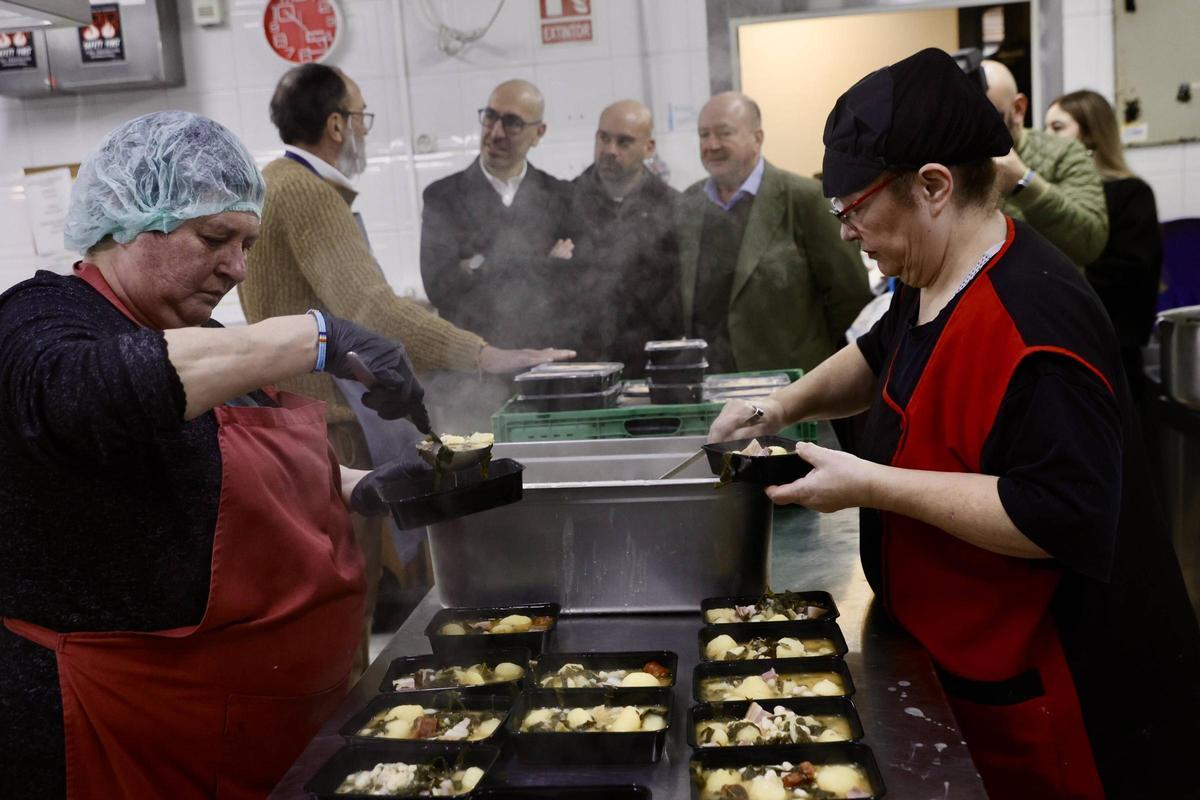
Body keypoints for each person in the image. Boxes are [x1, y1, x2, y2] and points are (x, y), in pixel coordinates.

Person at [709, 49, 1200, 799]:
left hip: (1055, 694)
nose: (846, 231)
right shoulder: (932, 270)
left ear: (934, 186)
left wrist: (871, 485)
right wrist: (781, 403)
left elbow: (1059, 514)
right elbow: (875, 355)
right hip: (959, 660)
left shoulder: (1037, 321)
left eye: (856, 209)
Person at [0, 111, 436, 799]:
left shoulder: (201, 334)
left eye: (246, 244)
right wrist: (310, 337)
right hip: (108, 731)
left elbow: (227, 462)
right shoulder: (39, 317)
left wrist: (359, 486)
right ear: (127, 220)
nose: (236, 268)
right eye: (215, 238)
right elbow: (85, 394)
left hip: (238, 728)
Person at [239, 64, 571, 662]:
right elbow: (371, 312)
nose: (363, 128)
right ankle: (340, 748)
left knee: (329, 608)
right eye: (361, 115)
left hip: (295, 420)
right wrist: (483, 353)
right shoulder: (307, 193)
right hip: (325, 432)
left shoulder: (276, 184)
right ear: (337, 124)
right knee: (345, 607)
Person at [419, 78, 579, 423]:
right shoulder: (443, 198)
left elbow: (571, 290)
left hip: (542, 382)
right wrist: (543, 263)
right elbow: (440, 285)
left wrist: (477, 264)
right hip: (469, 381)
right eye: (490, 117)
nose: (495, 132)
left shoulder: (561, 196)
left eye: (513, 123)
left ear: (539, 133)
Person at [678, 92, 871, 375]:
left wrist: (808, 350)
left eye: (724, 133)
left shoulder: (804, 199)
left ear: (757, 138)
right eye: (703, 135)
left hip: (791, 386)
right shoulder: (689, 203)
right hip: (711, 387)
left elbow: (850, 295)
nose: (711, 145)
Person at [1045, 89, 1162, 393]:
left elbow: (1131, 274)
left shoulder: (1131, 195)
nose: (1045, 138)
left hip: (1110, 354)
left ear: (1091, 135)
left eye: (1057, 128)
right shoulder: (1047, 200)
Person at [562, 99, 682, 376]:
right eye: (603, 138)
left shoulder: (675, 208)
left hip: (655, 369)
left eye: (624, 142)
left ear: (649, 148)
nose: (609, 151)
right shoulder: (563, 203)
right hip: (582, 368)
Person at [982, 59, 1109, 266]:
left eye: (988, 116)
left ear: (1018, 108)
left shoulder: (1063, 152)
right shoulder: (952, 163)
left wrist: (1024, 182)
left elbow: (1089, 242)